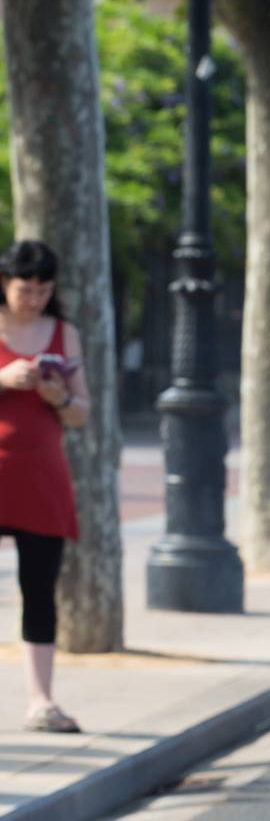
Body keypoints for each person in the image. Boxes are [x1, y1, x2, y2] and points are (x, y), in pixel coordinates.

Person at [0, 240, 89, 733]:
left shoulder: (64, 333)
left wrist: (57, 396)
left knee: (39, 587)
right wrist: (4, 378)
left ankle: (41, 700)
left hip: (41, 475)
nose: (32, 298)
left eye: (42, 290)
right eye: (24, 289)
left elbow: (82, 414)